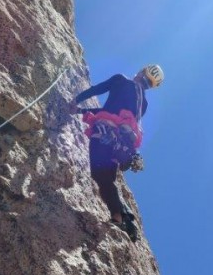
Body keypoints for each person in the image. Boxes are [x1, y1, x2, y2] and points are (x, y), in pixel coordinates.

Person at [69, 65, 164, 241]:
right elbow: (121, 114)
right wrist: (81, 112)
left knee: (98, 174)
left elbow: (99, 93)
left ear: (142, 72)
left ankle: (120, 215)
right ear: (151, 85)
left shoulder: (121, 80)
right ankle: (121, 215)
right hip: (123, 143)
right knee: (107, 178)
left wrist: (77, 101)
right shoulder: (143, 103)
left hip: (105, 131)